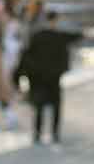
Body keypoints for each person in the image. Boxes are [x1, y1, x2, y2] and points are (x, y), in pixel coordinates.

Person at [15, 10, 82, 144]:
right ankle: (55, 133)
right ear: (56, 20)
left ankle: (38, 133)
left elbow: (27, 55)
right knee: (55, 105)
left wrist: (21, 74)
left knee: (39, 106)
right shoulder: (59, 36)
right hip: (53, 77)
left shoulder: (37, 35)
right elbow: (78, 35)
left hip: (39, 77)